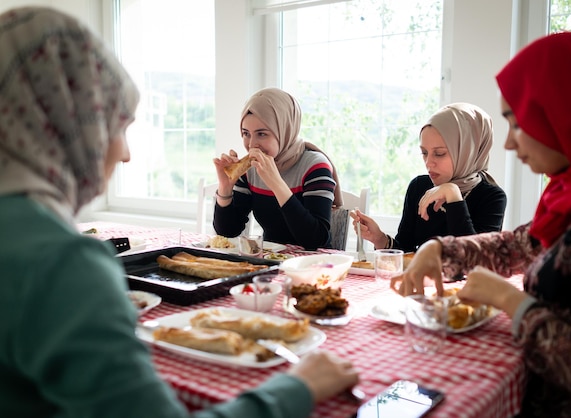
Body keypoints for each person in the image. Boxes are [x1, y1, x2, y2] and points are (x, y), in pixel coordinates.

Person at [0, 7, 358, 418]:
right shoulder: (63, 266)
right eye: (117, 126)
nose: (126, 153)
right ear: (63, 125)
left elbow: (316, 238)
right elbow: (228, 227)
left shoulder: (313, 164)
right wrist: (298, 388)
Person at [391, 32, 571, 417]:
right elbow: (516, 245)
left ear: (570, 116)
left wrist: (511, 301)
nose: (509, 145)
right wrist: (440, 248)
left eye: (520, 124)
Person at [351, 102, 506, 253]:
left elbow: (474, 261)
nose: (428, 163)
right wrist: (379, 239)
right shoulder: (419, 186)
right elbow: (406, 251)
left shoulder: (492, 197)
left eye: (439, 153)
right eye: (424, 152)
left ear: (467, 151)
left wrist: (453, 194)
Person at [212, 87, 342, 250]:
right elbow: (228, 232)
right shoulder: (250, 169)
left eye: (262, 134)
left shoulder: (315, 166)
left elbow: (315, 240)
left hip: (312, 266)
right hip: (269, 262)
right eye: (246, 133)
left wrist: (275, 183)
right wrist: (225, 188)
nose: (252, 144)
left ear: (285, 130)